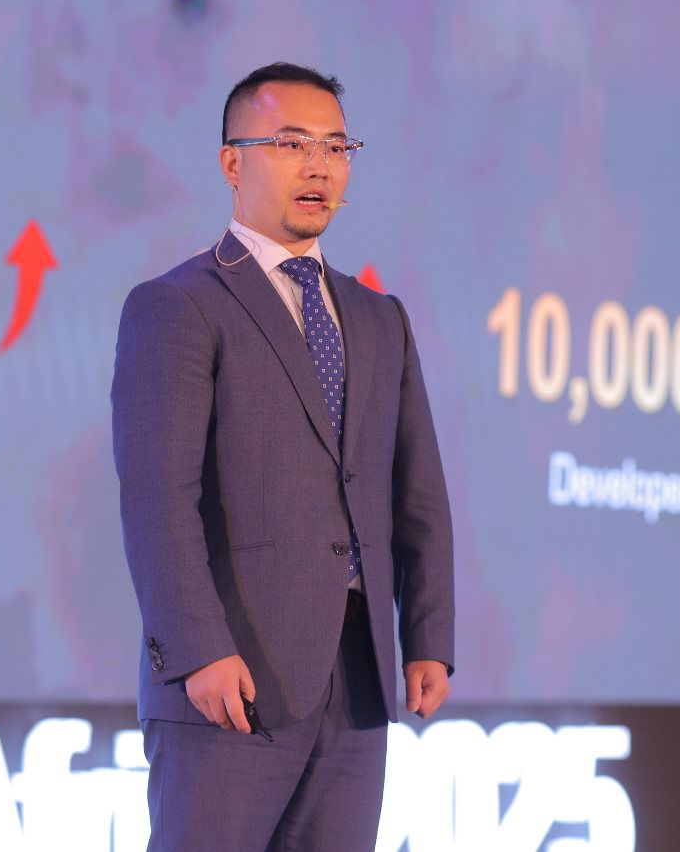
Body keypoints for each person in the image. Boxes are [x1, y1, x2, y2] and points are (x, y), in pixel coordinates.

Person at [110, 61, 455, 851]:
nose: (319, 166)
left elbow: (418, 493)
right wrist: (198, 648)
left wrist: (429, 633)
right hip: (230, 679)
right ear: (232, 163)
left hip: (358, 682)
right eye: (292, 144)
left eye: (337, 147)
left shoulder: (380, 318)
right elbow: (157, 499)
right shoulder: (179, 305)